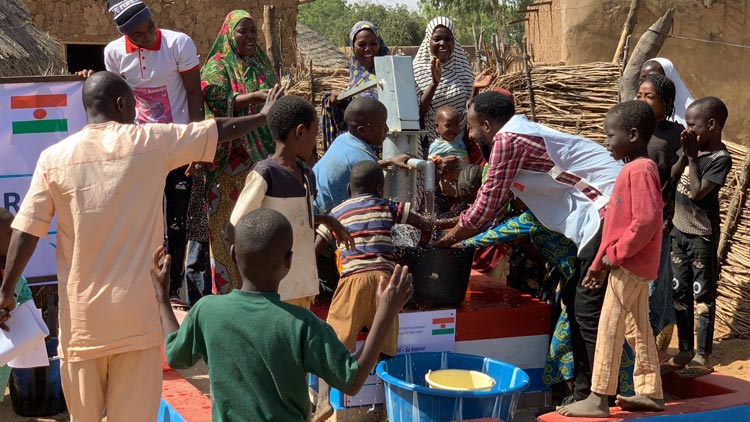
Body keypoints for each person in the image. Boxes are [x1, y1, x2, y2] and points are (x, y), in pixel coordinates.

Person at [0, 71, 282, 421]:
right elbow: (217, 129)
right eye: (134, 104)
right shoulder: (151, 142)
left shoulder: (53, 158)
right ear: (121, 104)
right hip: (137, 322)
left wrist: (7, 290)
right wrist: (262, 117)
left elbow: (26, 230)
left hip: (82, 325)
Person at [434, 90, 623, 403]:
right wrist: (443, 226)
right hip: (601, 215)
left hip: (605, 212)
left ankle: (596, 396)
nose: (468, 134)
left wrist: (444, 242)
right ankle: (589, 391)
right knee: (581, 308)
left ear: (485, 124)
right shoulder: (520, 136)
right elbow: (492, 205)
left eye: (470, 127)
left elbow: (484, 210)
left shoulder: (509, 141)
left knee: (586, 311)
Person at [154, 208, 413, 421]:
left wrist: (163, 298)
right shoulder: (302, 324)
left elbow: (175, 355)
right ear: (288, 261)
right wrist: (385, 312)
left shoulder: (207, 311)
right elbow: (352, 379)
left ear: (233, 254)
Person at [558, 100, 664, 417]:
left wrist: (613, 257)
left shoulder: (640, 170)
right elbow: (614, 226)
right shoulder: (633, 169)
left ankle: (599, 396)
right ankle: (651, 391)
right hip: (627, 264)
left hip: (629, 266)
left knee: (609, 327)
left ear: (632, 135)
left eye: (610, 135)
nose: (606, 142)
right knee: (638, 329)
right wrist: (597, 264)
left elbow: (645, 221)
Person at [102, 0, 208, 309]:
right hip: (139, 147)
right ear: (125, 34)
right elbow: (115, 98)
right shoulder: (113, 53)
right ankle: (140, 289)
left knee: (177, 221)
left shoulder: (178, 43)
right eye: (139, 34)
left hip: (177, 146)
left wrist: (196, 144)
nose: (149, 35)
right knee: (141, 219)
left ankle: (173, 290)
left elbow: (193, 94)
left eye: (151, 26)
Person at [312, 160, 434, 420]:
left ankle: (323, 401)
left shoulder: (337, 212)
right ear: (380, 186)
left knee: (330, 345)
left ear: (348, 188)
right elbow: (423, 223)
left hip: (351, 283)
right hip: (385, 284)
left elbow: (315, 249)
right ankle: (389, 409)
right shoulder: (388, 205)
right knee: (386, 349)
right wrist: (422, 247)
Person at [228, 95, 354, 309]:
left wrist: (327, 221)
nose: (315, 144)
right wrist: (246, 278)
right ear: (300, 132)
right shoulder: (265, 173)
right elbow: (236, 225)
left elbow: (295, 217)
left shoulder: (306, 174)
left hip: (303, 282)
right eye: (314, 135)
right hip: (273, 290)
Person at [201, 10, 279, 293]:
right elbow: (213, 94)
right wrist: (253, 98)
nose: (249, 37)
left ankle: (260, 296)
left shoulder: (261, 64)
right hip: (226, 167)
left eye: (253, 31)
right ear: (228, 34)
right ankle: (226, 298)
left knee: (260, 235)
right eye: (241, 31)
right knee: (226, 235)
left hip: (261, 165)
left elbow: (276, 98)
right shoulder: (217, 65)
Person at [661, 97, 732, 379]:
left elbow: (699, 191)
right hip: (679, 231)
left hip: (701, 236)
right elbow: (672, 178)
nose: (687, 130)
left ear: (712, 126)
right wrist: (684, 154)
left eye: (693, 125)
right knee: (680, 291)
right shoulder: (691, 150)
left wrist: (692, 157)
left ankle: (703, 354)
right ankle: (685, 349)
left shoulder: (720, 159)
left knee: (702, 295)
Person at [636, 73, 683, 344]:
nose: (642, 100)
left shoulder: (674, 135)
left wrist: (668, 216)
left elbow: (677, 179)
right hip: (633, 214)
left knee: (656, 279)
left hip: (661, 217)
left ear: (666, 103)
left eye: (649, 96)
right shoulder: (634, 128)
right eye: (640, 95)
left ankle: (659, 333)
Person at [313, 97, 410, 214]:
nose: (387, 129)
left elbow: (356, 166)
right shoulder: (363, 158)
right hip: (326, 219)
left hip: (311, 206)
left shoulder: (342, 140)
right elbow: (373, 205)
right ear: (362, 130)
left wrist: (389, 161)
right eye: (382, 125)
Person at [414, 17, 494, 149]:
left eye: (448, 39)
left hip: (460, 144)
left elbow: (469, 111)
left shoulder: (462, 69)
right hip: (430, 146)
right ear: (428, 40)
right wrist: (434, 84)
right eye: (437, 39)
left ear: (454, 41)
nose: (442, 43)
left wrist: (475, 88)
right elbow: (417, 113)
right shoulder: (417, 71)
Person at [321, 21, 389, 151]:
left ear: (380, 44)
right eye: (362, 44)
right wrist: (338, 102)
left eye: (373, 44)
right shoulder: (354, 83)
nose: (368, 49)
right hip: (360, 152)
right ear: (353, 47)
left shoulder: (391, 74)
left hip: (390, 147)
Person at [0, 208, 35, 401]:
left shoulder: (16, 277)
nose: (15, 236)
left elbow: (26, 301)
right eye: (9, 233)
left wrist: (35, 330)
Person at [640, 58, 694, 127]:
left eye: (654, 78)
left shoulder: (691, 116)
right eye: (642, 79)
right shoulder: (632, 113)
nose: (647, 83)